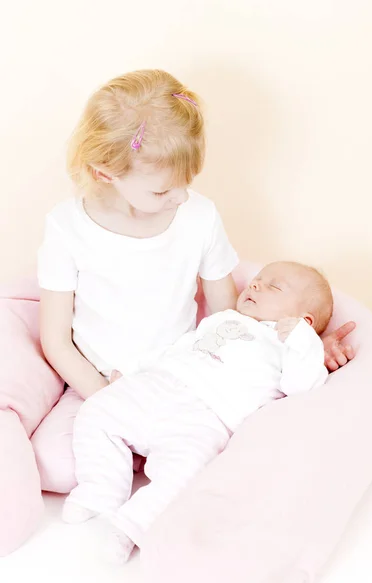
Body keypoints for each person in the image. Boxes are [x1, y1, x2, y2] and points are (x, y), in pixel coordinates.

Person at [31, 68, 355, 494]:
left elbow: (232, 318)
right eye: (163, 191)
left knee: (228, 453)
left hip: (188, 382)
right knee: (55, 466)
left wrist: (299, 348)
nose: (181, 198)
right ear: (106, 173)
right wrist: (103, 393)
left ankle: (152, 454)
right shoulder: (66, 227)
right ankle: (144, 449)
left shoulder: (199, 217)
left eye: (187, 184)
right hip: (101, 381)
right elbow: (55, 339)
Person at [62, 261, 333, 564]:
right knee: (98, 411)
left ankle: (132, 526)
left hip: (209, 417)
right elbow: (178, 348)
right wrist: (132, 371)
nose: (255, 285)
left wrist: (304, 341)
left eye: (273, 286)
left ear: (304, 320)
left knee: (185, 474)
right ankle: (101, 488)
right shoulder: (224, 319)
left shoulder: (293, 347)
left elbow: (304, 386)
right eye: (257, 280)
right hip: (161, 384)